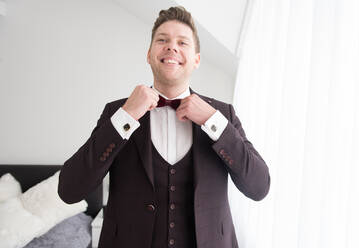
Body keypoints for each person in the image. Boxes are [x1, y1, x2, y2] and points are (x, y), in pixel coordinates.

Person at [58, 6, 270, 248]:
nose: (172, 47)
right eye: (163, 40)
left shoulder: (222, 115)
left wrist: (213, 122)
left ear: (196, 60)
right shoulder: (117, 113)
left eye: (182, 42)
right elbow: (69, 190)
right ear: (149, 55)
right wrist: (126, 116)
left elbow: (259, 186)